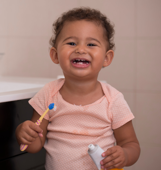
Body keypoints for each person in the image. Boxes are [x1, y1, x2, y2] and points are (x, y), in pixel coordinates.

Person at [15, 7, 140, 170]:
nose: (80, 49)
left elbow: (131, 144)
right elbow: (35, 145)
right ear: (55, 55)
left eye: (91, 44)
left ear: (106, 58)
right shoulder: (48, 94)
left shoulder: (113, 100)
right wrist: (23, 133)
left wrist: (124, 154)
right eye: (71, 43)